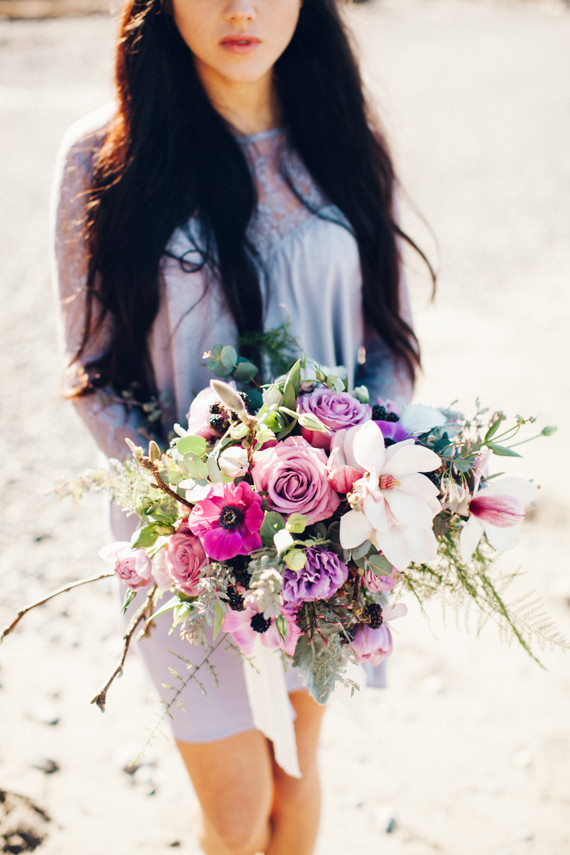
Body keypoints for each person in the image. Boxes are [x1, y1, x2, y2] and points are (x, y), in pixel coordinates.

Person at [52, 0, 431, 852]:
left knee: (295, 786)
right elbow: (95, 378)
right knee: (236, 809)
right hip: (186, 552)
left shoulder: (344, 139)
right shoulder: (104, 156)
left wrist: (353, 482)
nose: (242, 8)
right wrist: (198, 498)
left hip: (332, 545)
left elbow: (391, 347)